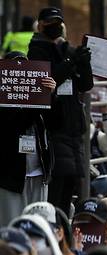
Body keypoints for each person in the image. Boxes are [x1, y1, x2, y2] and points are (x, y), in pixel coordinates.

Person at [28, 7, 94, 213]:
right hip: (53, 124)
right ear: (40, 26)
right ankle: (54, 225)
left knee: (70, 183)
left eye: (58, 22)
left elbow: (85, 85)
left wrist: (84, 63)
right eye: (50, 23)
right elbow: (48, 80)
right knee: (57, 184)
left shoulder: (68, 50)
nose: (55, 27)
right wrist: (70, 62)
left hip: (73, 125)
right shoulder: (36, 51)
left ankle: (63, 226)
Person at [0, 52, 56, 226]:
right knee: (12, 226)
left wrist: (51, 95)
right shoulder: (3, 102)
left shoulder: (40, 99)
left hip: (39, 174)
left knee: (39, 225)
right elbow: (19, 121)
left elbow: (58, 123)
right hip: (11, 178)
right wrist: (37, 99)